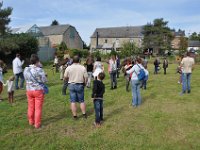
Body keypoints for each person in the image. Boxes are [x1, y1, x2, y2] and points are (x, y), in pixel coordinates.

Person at [23, 54, 47, 129]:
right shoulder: (40, 70)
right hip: (38, 90)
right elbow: (44, 80)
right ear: (37, 61)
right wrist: (41, 68)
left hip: (29, 90)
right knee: (38, 108)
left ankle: (31, 121)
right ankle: (37, 124)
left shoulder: (26, 69)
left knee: (30, 106)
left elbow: (25, 78)